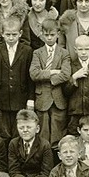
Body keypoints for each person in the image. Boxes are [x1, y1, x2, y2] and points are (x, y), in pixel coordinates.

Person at [0, 17, 35, 140]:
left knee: (19, 133)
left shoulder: (27, 51)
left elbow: (30, 78)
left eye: (14, 34)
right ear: (2, 34)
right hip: (1, 99)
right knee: (2, 133)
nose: (11, 37)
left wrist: (30, 100)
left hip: (20, 99)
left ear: (20, 34)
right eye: (8, 34)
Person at [29, 19, 71, 149]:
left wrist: (50, 79)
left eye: (52, 35)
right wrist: (52, 72)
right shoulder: (37, 53)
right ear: (42, 34)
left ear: (58, 34)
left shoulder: (64, 53)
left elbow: (65, 74)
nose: (49, 38)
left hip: (59, 99)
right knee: (42, 134)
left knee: (58, 134)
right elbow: (34, 74)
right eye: (46, 35)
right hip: (42, 99)